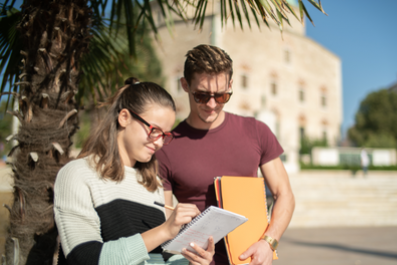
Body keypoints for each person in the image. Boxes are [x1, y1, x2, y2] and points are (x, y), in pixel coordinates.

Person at [156, 45, 295, 265]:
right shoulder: (166, 146)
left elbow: (284, 194)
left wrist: (269, 242)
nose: (212, 105)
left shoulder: (257, 132)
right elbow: (162, 221)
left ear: (230, 86)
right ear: (185, 85)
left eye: (221, 96)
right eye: (201, 95)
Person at [54, 78, 215, 265]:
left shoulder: (152, 183)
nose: (159, 142)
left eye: (165, 135)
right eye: (154, 130)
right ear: (124, 117)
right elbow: (86, 259)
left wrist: (191, 261)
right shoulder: (77, 174)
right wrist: (164, 230)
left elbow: (157, 258)